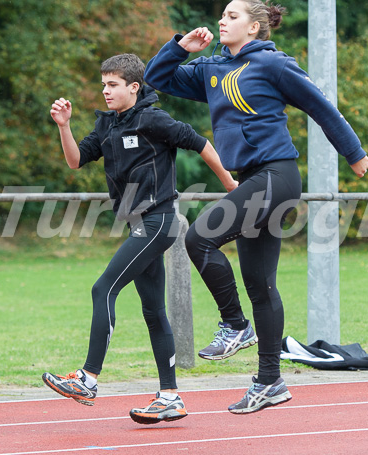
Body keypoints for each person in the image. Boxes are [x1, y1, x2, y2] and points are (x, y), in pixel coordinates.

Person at [144, 0, 368, 414]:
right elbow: (155, 78)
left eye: (232, 16)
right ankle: (270, 381)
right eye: (223, 15)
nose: (221, 21)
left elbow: (321, 108)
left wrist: (353, 153)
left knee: (199, 238)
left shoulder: (273, 64)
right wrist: (180, 48)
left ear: (254, 27)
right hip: (252, 181)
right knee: (260, 285)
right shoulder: (211, 68)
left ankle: (234, 325)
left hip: (277, 176)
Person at [42, 54, 237, 424]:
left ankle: (87, 378)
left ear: (134, 87)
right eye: (103, 84)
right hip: (138, 222)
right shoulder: (107, 126)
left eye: (112, 85)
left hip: (158, 221)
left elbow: (200, 143)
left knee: (103, 289)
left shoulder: (152, 119)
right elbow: (75, 160)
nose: (105, 91)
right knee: (153, 311)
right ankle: (170, 397)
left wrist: (228, 182)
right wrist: (64, 126)